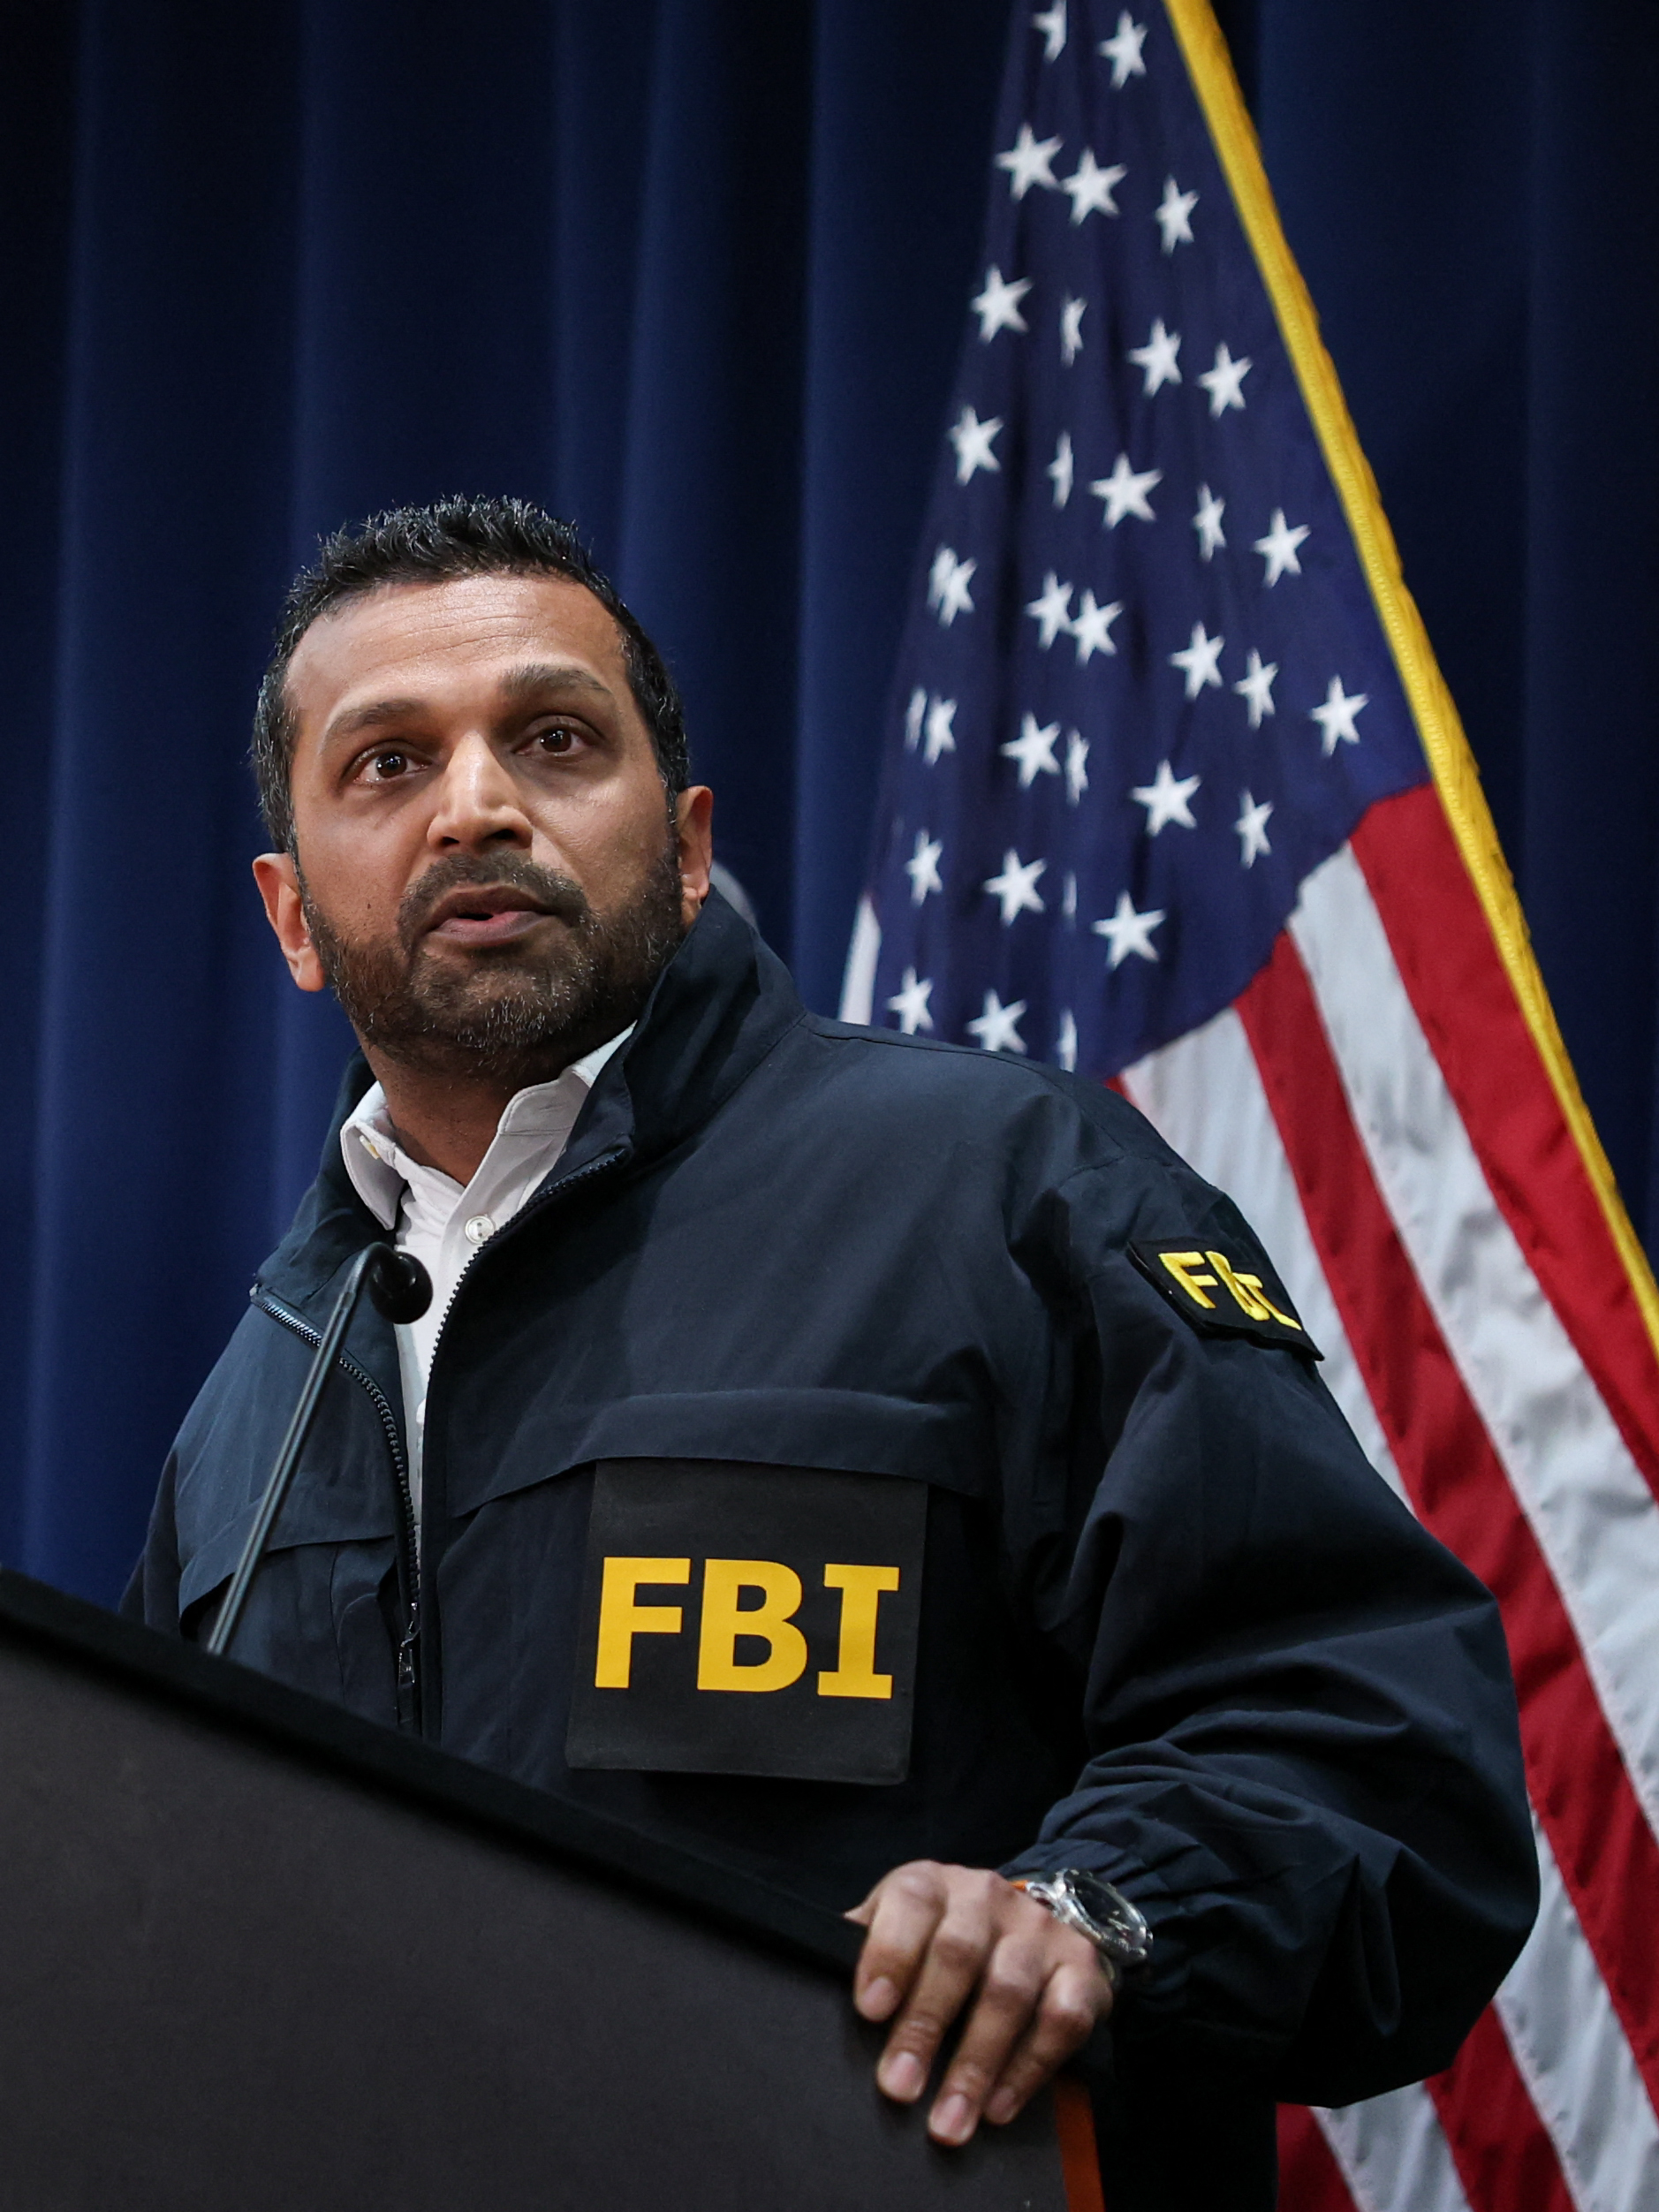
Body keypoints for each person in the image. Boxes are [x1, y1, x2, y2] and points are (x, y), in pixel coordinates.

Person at [126, 496, 1535, 2208]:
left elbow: (1369, 1741)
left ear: (688, 844)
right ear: (290, 915)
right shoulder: (261, 1395)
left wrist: (1092, 1911)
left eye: (555, 738)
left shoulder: (1007, 1187)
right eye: (387, 763)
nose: (476, 803)